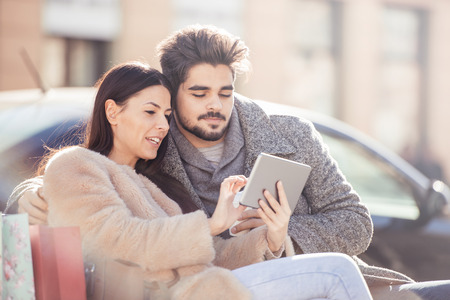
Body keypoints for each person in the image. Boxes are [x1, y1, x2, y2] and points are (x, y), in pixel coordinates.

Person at [9, 25, 450, 298]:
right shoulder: (155, 154)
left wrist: (280, 237)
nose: (214, 105)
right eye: (198, 94)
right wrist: (31, 195)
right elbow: (91, 184)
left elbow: (355, 221)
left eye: (225, 92)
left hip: (270, 275)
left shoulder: (290, 135)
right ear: (172, 91)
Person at [20, 61, 372, 299]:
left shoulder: (154, 187)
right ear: (112, 111)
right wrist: (211, 223)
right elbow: (119, 241)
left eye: (167, 115)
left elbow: (211, 257)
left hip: (208, 288)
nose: (162, 125)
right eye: (150, 112)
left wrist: (272, 237)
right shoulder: (75, 165)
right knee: (337, 272)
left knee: (336, 275)